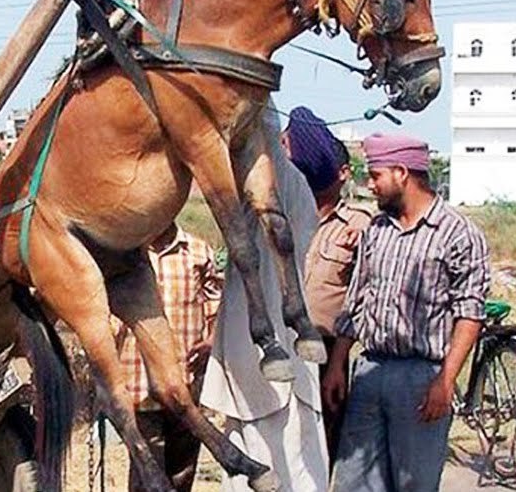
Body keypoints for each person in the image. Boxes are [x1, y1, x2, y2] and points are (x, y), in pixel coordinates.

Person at [324, 133, 491, 492]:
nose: (370, 186)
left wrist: (445, 382)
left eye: (375, 176)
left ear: (401, 172)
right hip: (369, 372)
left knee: (414, 485)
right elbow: (357, 301)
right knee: (353, 483)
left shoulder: (458, 234)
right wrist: (338, 363)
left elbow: (469, 315)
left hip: (421, 380)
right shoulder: (377, 230)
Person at [201, 101, 330, 492]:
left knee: (271, 454)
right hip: (282, 347)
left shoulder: (260, 184)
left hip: (259, 345)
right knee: (298, 457)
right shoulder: (300, 188)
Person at [281, 107, 372, 465]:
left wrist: (337, 364)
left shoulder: (359, 225)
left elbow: (359, 302)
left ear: (344, 173)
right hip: (282, 345)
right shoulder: (286, 215)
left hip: (325, 352)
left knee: (319, 450)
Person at [114, 222, 223, 492]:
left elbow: (216, 302)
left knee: (182, 473)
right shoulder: (122, 254)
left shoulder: (198, 252)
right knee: (147, 477)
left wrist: (212, 339)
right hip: (137, 385)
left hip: (186, 384)